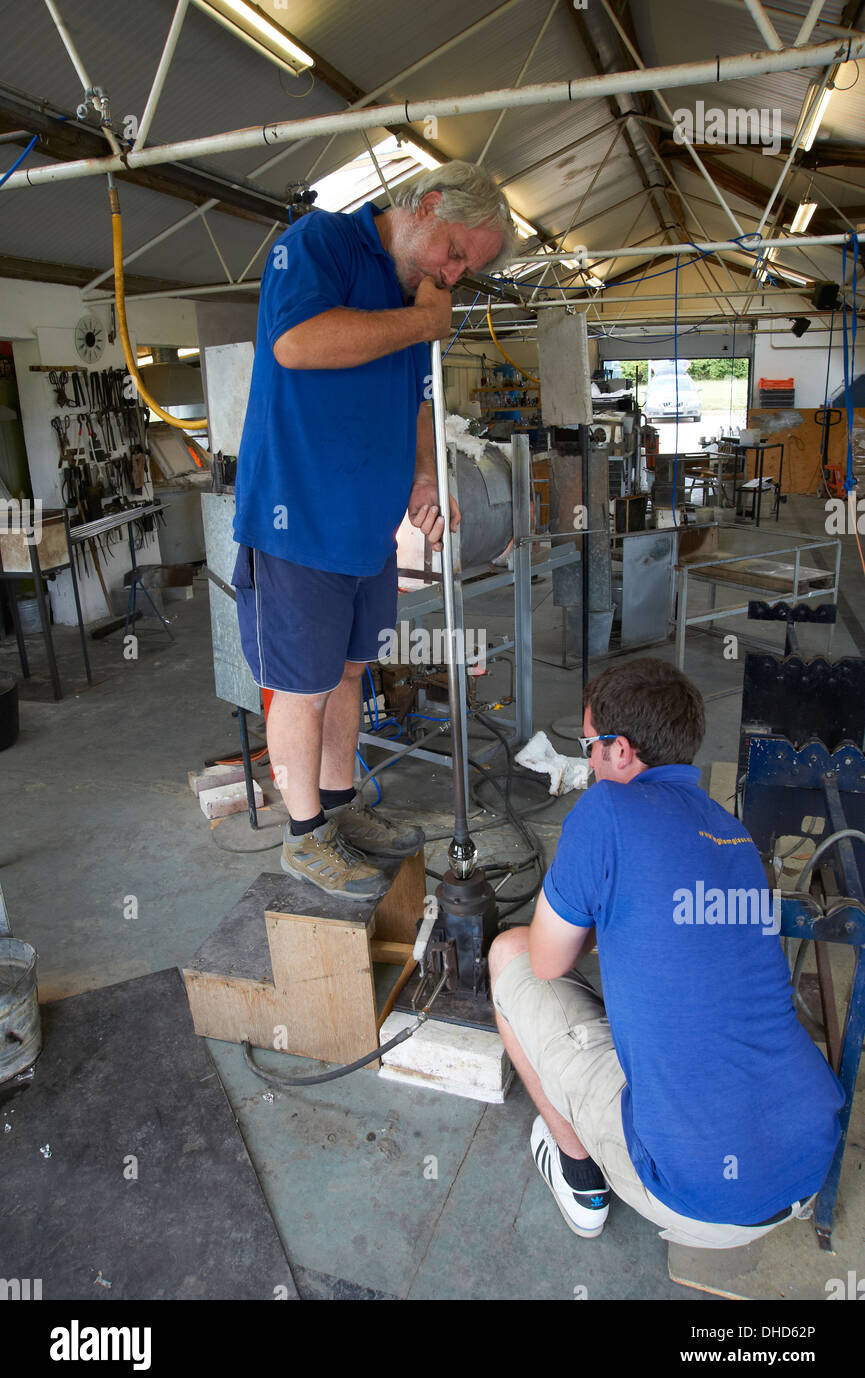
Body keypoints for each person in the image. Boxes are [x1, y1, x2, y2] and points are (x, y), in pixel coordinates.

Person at [488, 658, 845, 1247]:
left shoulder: (605, 810)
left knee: (509, 955)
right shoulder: (733, 836)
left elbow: (548, 962)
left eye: (590, 747)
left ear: (620, 751)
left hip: (698, 1199)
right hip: (805, 1164)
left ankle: (581, 1179)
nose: (590, 762)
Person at [231, 162, 515, 900]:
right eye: (454, 250)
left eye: (466, 269)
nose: (452, 273)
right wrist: (426, 319)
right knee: (301, 686)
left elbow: (420, 403)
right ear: (425, 206)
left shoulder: (412, 293)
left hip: (367, 527)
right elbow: (295, 343)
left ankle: (338, 808)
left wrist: (426, 475)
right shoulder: (319, 241)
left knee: (351, 673)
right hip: (297, 518)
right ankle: (303, 839)